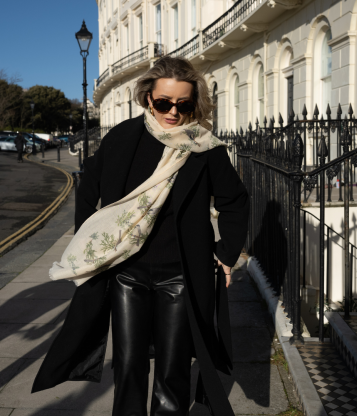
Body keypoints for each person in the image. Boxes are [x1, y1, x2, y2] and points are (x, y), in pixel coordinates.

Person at [31, 56, 249, 416]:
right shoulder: (124, 138)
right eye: (164, 103)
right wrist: (89, 244)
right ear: (148, 98)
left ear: (194, 103)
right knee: (129, 364)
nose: (173, 113)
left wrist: (226, 253)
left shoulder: (203, 147)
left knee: (172, 368)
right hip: (127, 273)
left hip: (180, 275)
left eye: (184, 104)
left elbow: (234, 201)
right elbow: (88, 189)